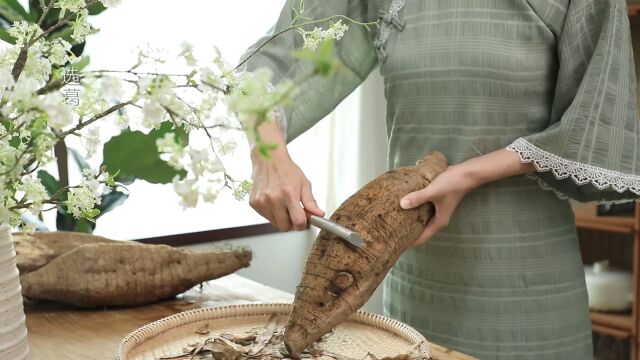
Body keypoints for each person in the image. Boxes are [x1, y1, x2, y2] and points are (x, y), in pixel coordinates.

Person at [238, 0, 640, 358]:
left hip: (525, 283)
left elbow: (600, 116)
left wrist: (469, 174)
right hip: (413, 278)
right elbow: (273, 64)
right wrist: (268, 155)